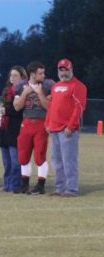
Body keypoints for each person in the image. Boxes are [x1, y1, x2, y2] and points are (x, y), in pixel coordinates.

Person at [45, 59, 87, 197]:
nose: (64, 72)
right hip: (55, 129)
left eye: (66, 69)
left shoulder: (78, 86)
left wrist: (71, 126)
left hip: (67, 130)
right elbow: (51, 107)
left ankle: (71, 189)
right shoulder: (55, 86)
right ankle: (60, 188)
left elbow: (79, 107)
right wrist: (47, 123)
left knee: (69, 160)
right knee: (56, 161)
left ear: (71, 70)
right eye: (61, 70)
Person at [14, 61, 53, 195]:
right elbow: (17, 107)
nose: (43, 75)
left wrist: (40, 93)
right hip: (26, 123)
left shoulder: (47, 85)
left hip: (41, 124)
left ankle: (40, 186)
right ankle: (24, 185)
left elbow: (49, 107)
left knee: (39, 156)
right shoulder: (21, 86)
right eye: (40, 73)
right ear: (32, 74)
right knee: (23, 156)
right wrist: (25, 93)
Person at [0, 66, 26, 193]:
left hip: (15, 128)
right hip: (4, 127)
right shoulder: (6, 90)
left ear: (22, 77)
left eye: (16, 76)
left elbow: (19, 110)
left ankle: (16, 185)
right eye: (11, 75)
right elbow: (3, 106)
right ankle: (7, 184)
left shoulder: (23, 91)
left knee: (15, 161)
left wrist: (6, 110)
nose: (12, 78)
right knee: (6, 161)